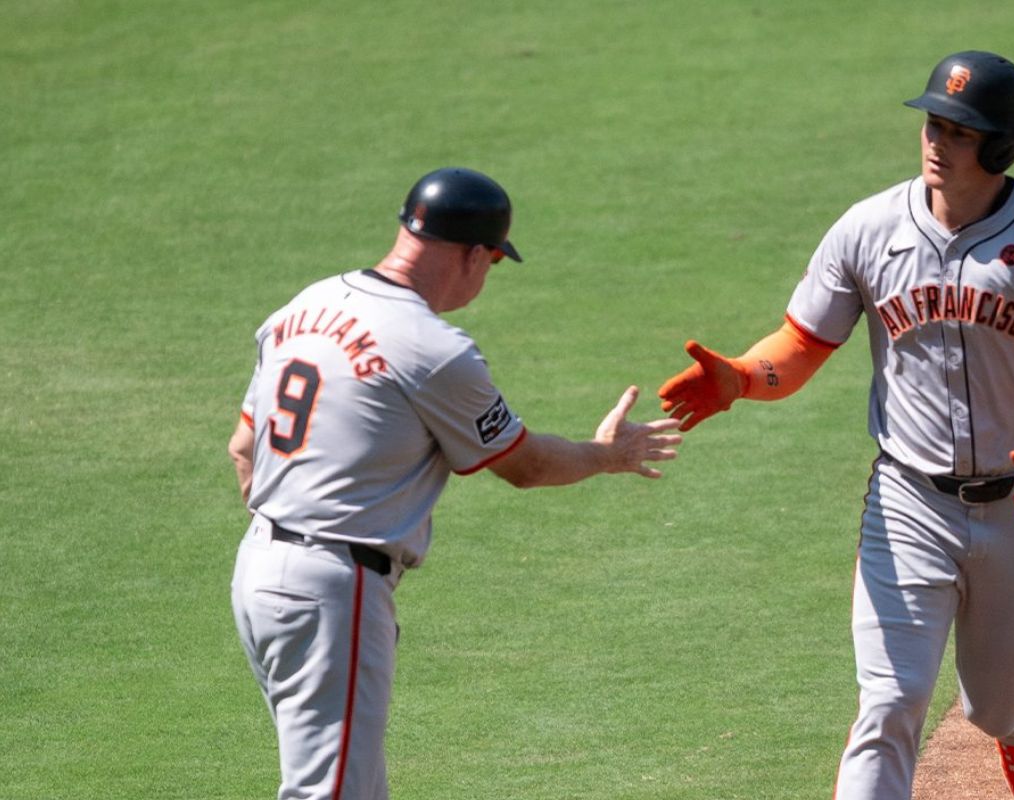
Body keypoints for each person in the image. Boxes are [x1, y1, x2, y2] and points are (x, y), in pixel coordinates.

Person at [658, 51, 1014, 800]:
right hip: (906, 505)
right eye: (932, 123)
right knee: (888, 705)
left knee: (991, 706)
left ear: (999, 145)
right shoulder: (868, 229)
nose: (936, 141)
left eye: (958, 131)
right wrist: (740, 378)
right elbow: (798, 346)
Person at [228, 166, 682, 800]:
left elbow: (243, 448)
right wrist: (604, 454)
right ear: (473, 254)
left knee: (346, 784)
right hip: (332, 584)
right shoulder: (431, 349)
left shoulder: (303, 306)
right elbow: (523, 466)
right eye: (493, 262)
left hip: (258, 571)